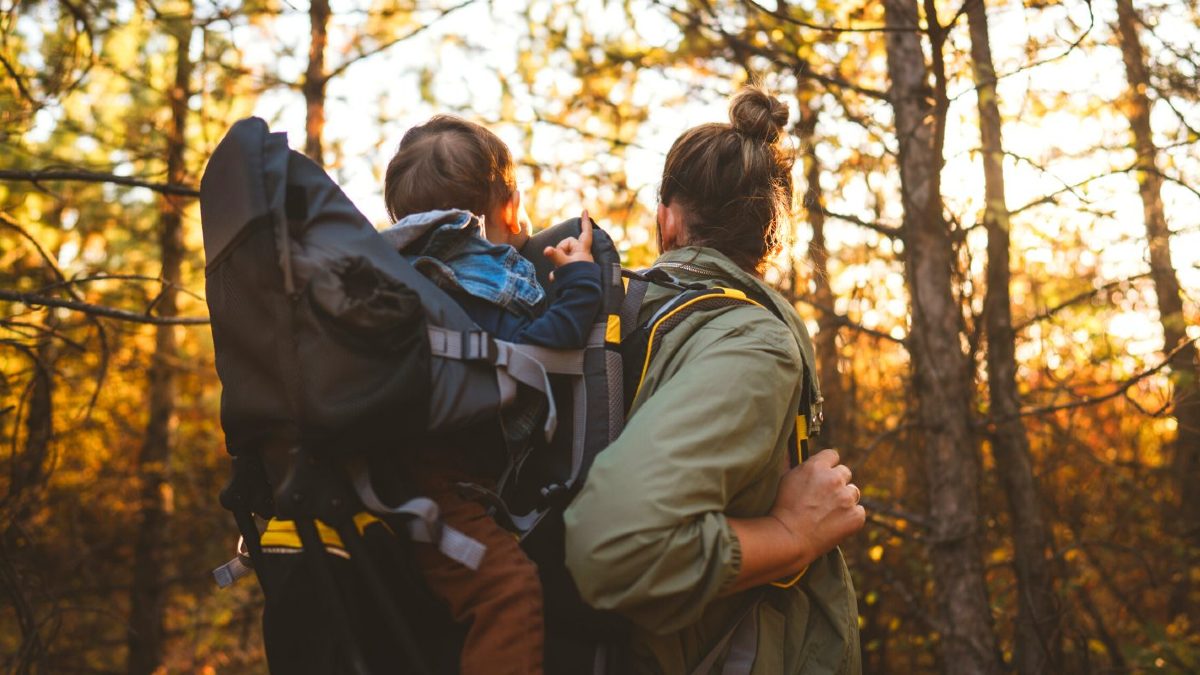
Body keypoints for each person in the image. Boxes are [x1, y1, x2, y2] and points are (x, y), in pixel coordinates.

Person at [563, 86, 866, 673]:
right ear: (767, 239)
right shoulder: (751, 342)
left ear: (667, 223)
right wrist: (792, 531)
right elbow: (614, 549)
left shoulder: (609, 314)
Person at [381, 114, 602, 675]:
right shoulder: (477, 281)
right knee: (509, 593)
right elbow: (534, 353)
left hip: (389, 470)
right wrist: (578, 280)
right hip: (439, 487)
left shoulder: (397, 273)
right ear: (509, 206)